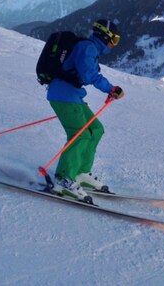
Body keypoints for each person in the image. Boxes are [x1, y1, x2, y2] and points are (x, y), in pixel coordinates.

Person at [47, 19, 124, 200]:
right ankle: (64, 178)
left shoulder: (90, 49)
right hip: (62, 96)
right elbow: (88, 74)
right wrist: (111, 89)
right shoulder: (87, 48)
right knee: (80, 134)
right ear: (106, 36)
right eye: (115, 39)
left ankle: (81, 172)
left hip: (73, 96)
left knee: (95, 130)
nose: (114, 44)